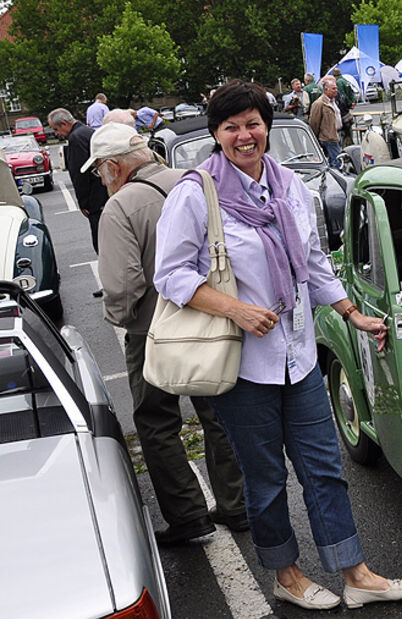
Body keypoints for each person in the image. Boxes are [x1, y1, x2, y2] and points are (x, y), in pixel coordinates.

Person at [154, 80, 402, 611]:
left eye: (252, 124)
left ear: (267, 128)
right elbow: (170, 275)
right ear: (216, 134)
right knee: (267, 477)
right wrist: (235, 309)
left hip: (298, 356)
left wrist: (350, 312)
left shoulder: (290, 188)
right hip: (244, 367)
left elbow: (315, 263)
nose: (244, 136)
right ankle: (286, 574)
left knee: (325, 469)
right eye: (231, 127)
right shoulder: (195, 194)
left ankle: (356, 573)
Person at [86, 122, 248, 545]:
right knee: (219, 413)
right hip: (212, 314)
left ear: (112, 168)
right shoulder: (197, 183)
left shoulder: (120, 207)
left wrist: (123, 320)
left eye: (101, 172)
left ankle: (188, 515)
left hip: (152, 329)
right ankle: (237, 503)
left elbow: (123, 285)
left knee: (156, 422)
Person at [47, 109, 108, 275]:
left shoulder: (75, 138)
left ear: (65, 124)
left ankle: (108, 281)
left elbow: (80, 173)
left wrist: (83, 202)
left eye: (56, 129)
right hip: (104, 193)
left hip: (95, 199)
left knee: (100, 242)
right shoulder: (88, 131)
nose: (56, 133)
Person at [310, 77, 342, 167]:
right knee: (336, 162)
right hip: (329, 138)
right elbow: (314, 123)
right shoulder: (319, 103)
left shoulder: (334, 101)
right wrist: (315, 138)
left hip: (337, 134)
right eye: (333, 88)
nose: (336, 90)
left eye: (336, 88)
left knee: (337, 159)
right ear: (326, 90)